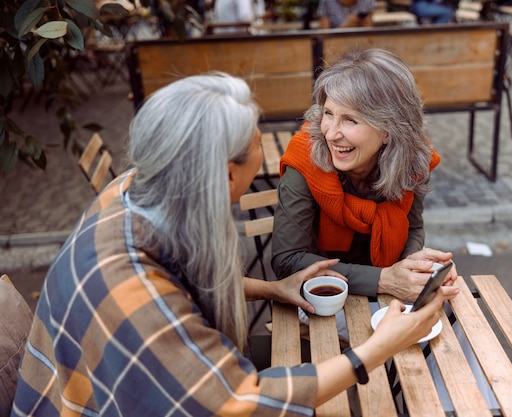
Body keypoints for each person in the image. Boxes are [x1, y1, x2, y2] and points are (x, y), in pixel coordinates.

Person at [11, 72, 458, 416]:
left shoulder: (135, 187)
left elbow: (177, 273)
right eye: (258, 141)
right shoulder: (130, 284)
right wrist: (380, 346)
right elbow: (236, 403)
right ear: (227, 174)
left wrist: (271, 289)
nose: (320, 134)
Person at [272, 48, 457, 304]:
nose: (331, 134)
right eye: (328, 113)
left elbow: (413, 227)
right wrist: (384, 279)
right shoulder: (305, 159)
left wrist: (415, 268)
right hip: (323, 297)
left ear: (389, 131)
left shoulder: (412, 158)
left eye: (350, 120)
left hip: (389, 295)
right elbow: (287, 260)